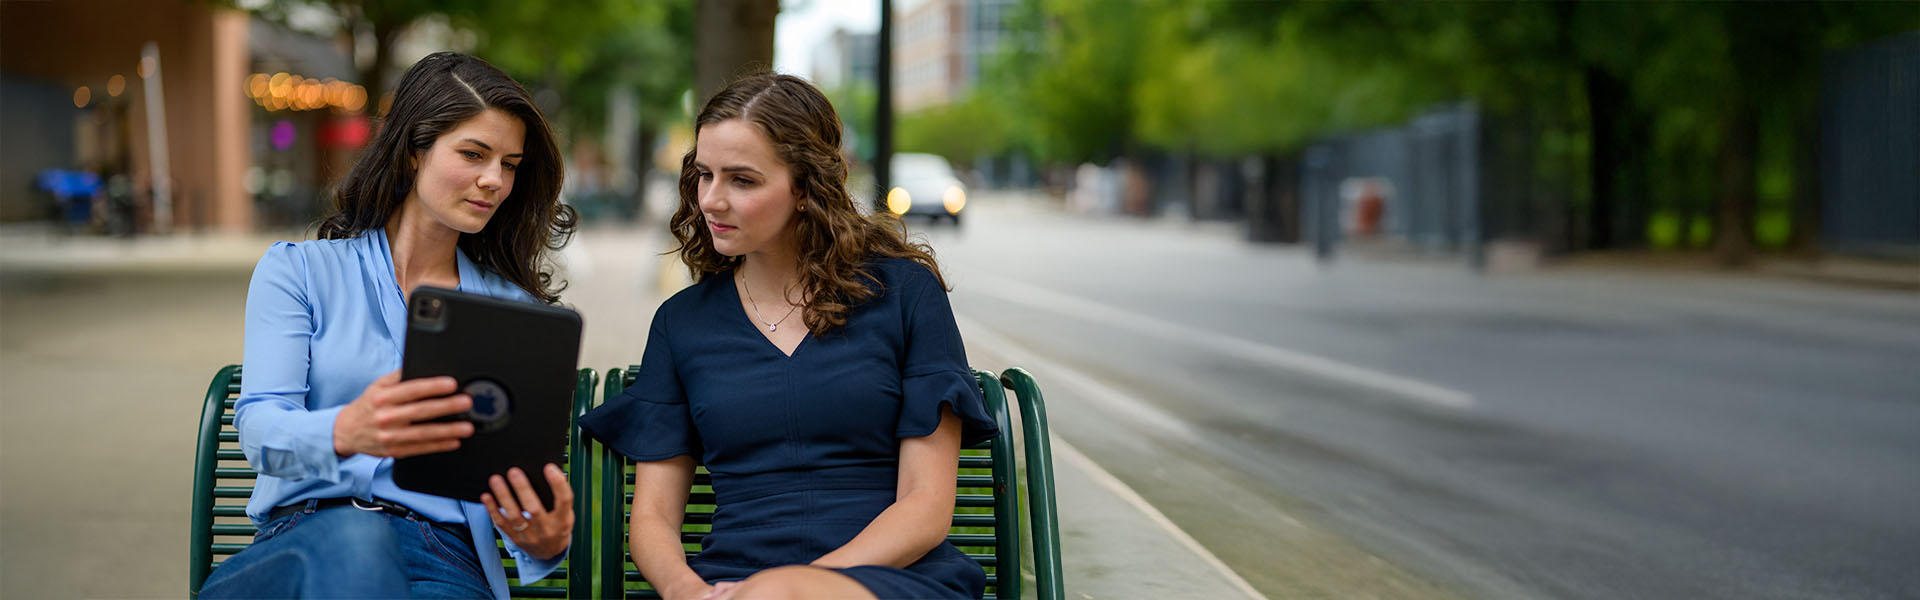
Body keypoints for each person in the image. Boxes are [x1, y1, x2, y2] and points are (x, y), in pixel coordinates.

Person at [578, 72, 999, 600]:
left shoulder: (904, 293)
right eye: (704, 175)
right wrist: (689, 591)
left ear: (806, 187)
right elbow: (655, 518)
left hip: (889, 578)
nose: (710, 199)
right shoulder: (682, 322)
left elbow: (925, 507)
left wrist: (797, 586)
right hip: (731, 584)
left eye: (742, 180)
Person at [200, 52, 580, 600]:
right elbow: (260, 428)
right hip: (298, 547)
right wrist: (343, 431)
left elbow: (513, 479)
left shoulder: (515, 313)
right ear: (411, 154)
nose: (494, 180)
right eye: (473, 154)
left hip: (441, 562)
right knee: (356, 541)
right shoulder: (300, 273)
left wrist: (543, 541)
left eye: (510, 164)